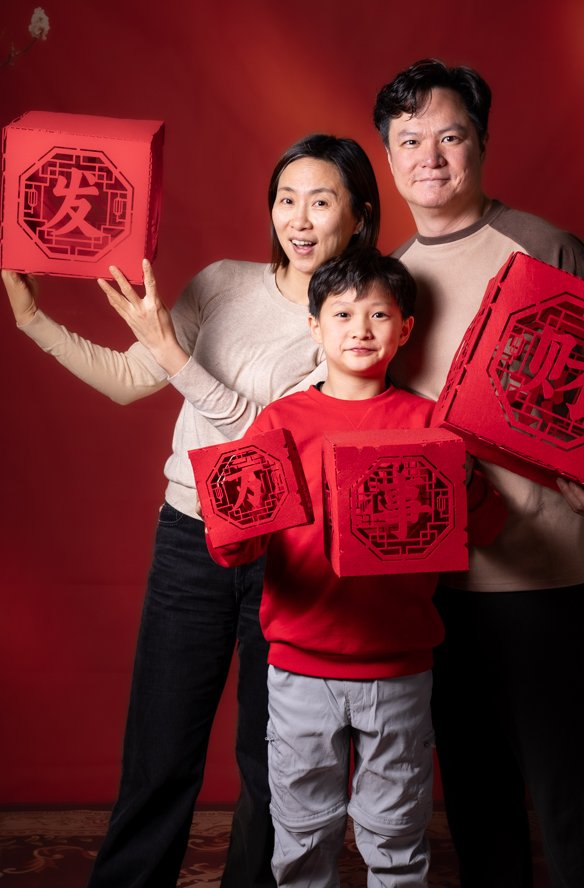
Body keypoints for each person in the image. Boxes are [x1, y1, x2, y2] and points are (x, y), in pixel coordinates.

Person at [1, 134, 380, 888]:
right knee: (159, 750)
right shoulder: (221, 283)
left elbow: (278, 448)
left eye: (321, 201)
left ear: (360, 215)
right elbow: (128, 378)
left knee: (274, 759)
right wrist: (32, 320)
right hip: (189, 535)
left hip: (289, 550)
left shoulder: (355, 317)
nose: (299, 219)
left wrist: (175, 355)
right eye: (286, 199)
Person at [372, 59, 584, 888]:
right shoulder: (387, 276)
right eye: (409, 141)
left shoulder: (543, 247)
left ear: (481, 144)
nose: (430, 158)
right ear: (388, 157)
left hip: (550, 577)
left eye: (450, 136)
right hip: (438, 582)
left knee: (566, 792)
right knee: (474, 795)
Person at [203, 246, 506, 888]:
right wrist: (228, 522)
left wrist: (465, 480)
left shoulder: (430, 424)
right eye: (342, 314)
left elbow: (489, 530)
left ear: (406, 329)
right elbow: (236, 547)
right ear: (315, 327)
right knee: (301, 832)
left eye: (378, 314)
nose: (360, 329)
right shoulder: (281, 423)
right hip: (300, 665)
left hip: (398, 665)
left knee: (396, 832)